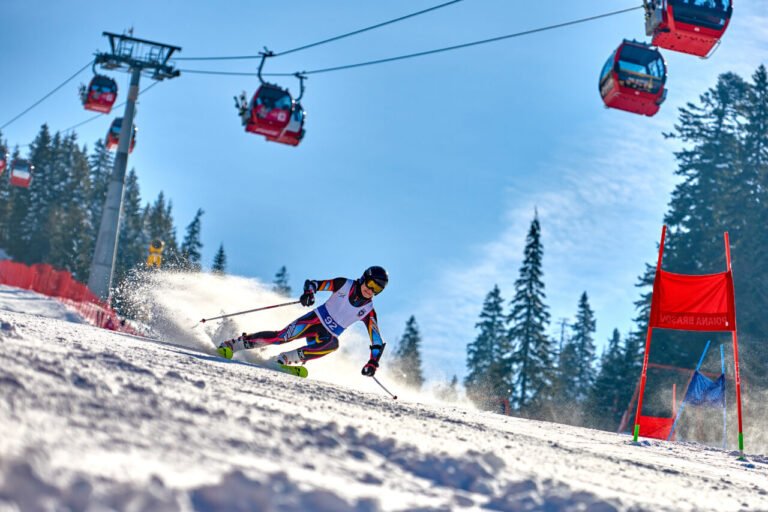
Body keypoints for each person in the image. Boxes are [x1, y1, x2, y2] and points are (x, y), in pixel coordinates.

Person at [216, 266, 389, 377]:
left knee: (333, 344)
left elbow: (377, 340)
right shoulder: (344, 284)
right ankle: (234, 344)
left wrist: (373, 362)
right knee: (281, 337)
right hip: (313, 321)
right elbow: (314, 284)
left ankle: (283, 359)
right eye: (372, 284)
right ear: (364, 278)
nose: (371, 290)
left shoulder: (368, 311)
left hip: (325, 336)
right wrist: (309, 293)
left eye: (378, 289)